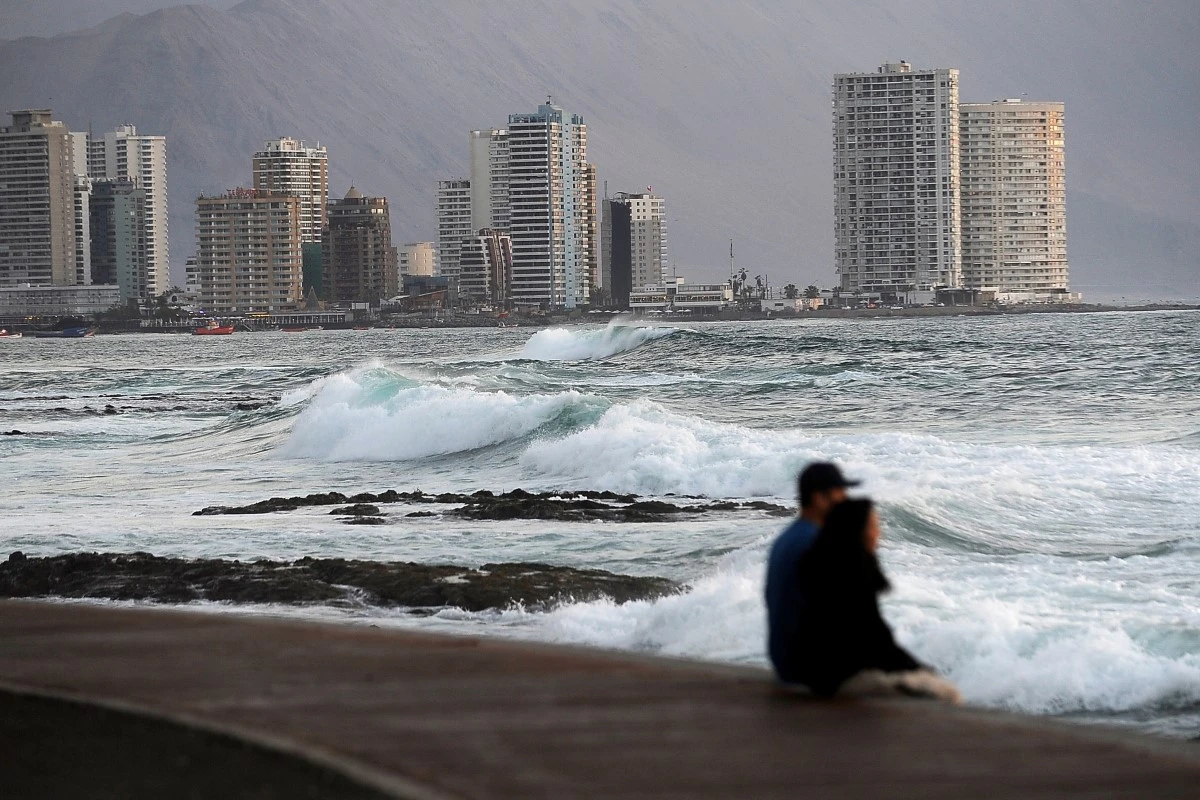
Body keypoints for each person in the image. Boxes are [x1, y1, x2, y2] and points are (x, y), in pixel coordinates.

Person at [785, 498, 960, 702]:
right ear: (858, 530)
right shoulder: (853, 572)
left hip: (807, 667)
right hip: (831, 677)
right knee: (947, 695)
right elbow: (876, 641)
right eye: (874, 526)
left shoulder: (821, 562)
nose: (879, 533)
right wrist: (919, 670)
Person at [765, 462, 859, 682]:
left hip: (787, 662)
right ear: (820, 498)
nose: (844, 499)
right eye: (840, 493)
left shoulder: (787, 538)